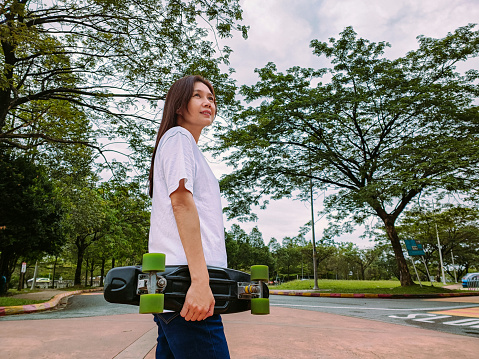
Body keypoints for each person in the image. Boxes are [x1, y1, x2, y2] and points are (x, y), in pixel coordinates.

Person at [148, 75, 230, 359]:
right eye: (198, 96)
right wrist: (199, 282)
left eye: (211, 98)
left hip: (178, 291)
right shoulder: (179, 137)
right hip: (188, 289)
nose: (208, 102)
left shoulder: (186, 147)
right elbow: (181, 204)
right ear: (179, 106)